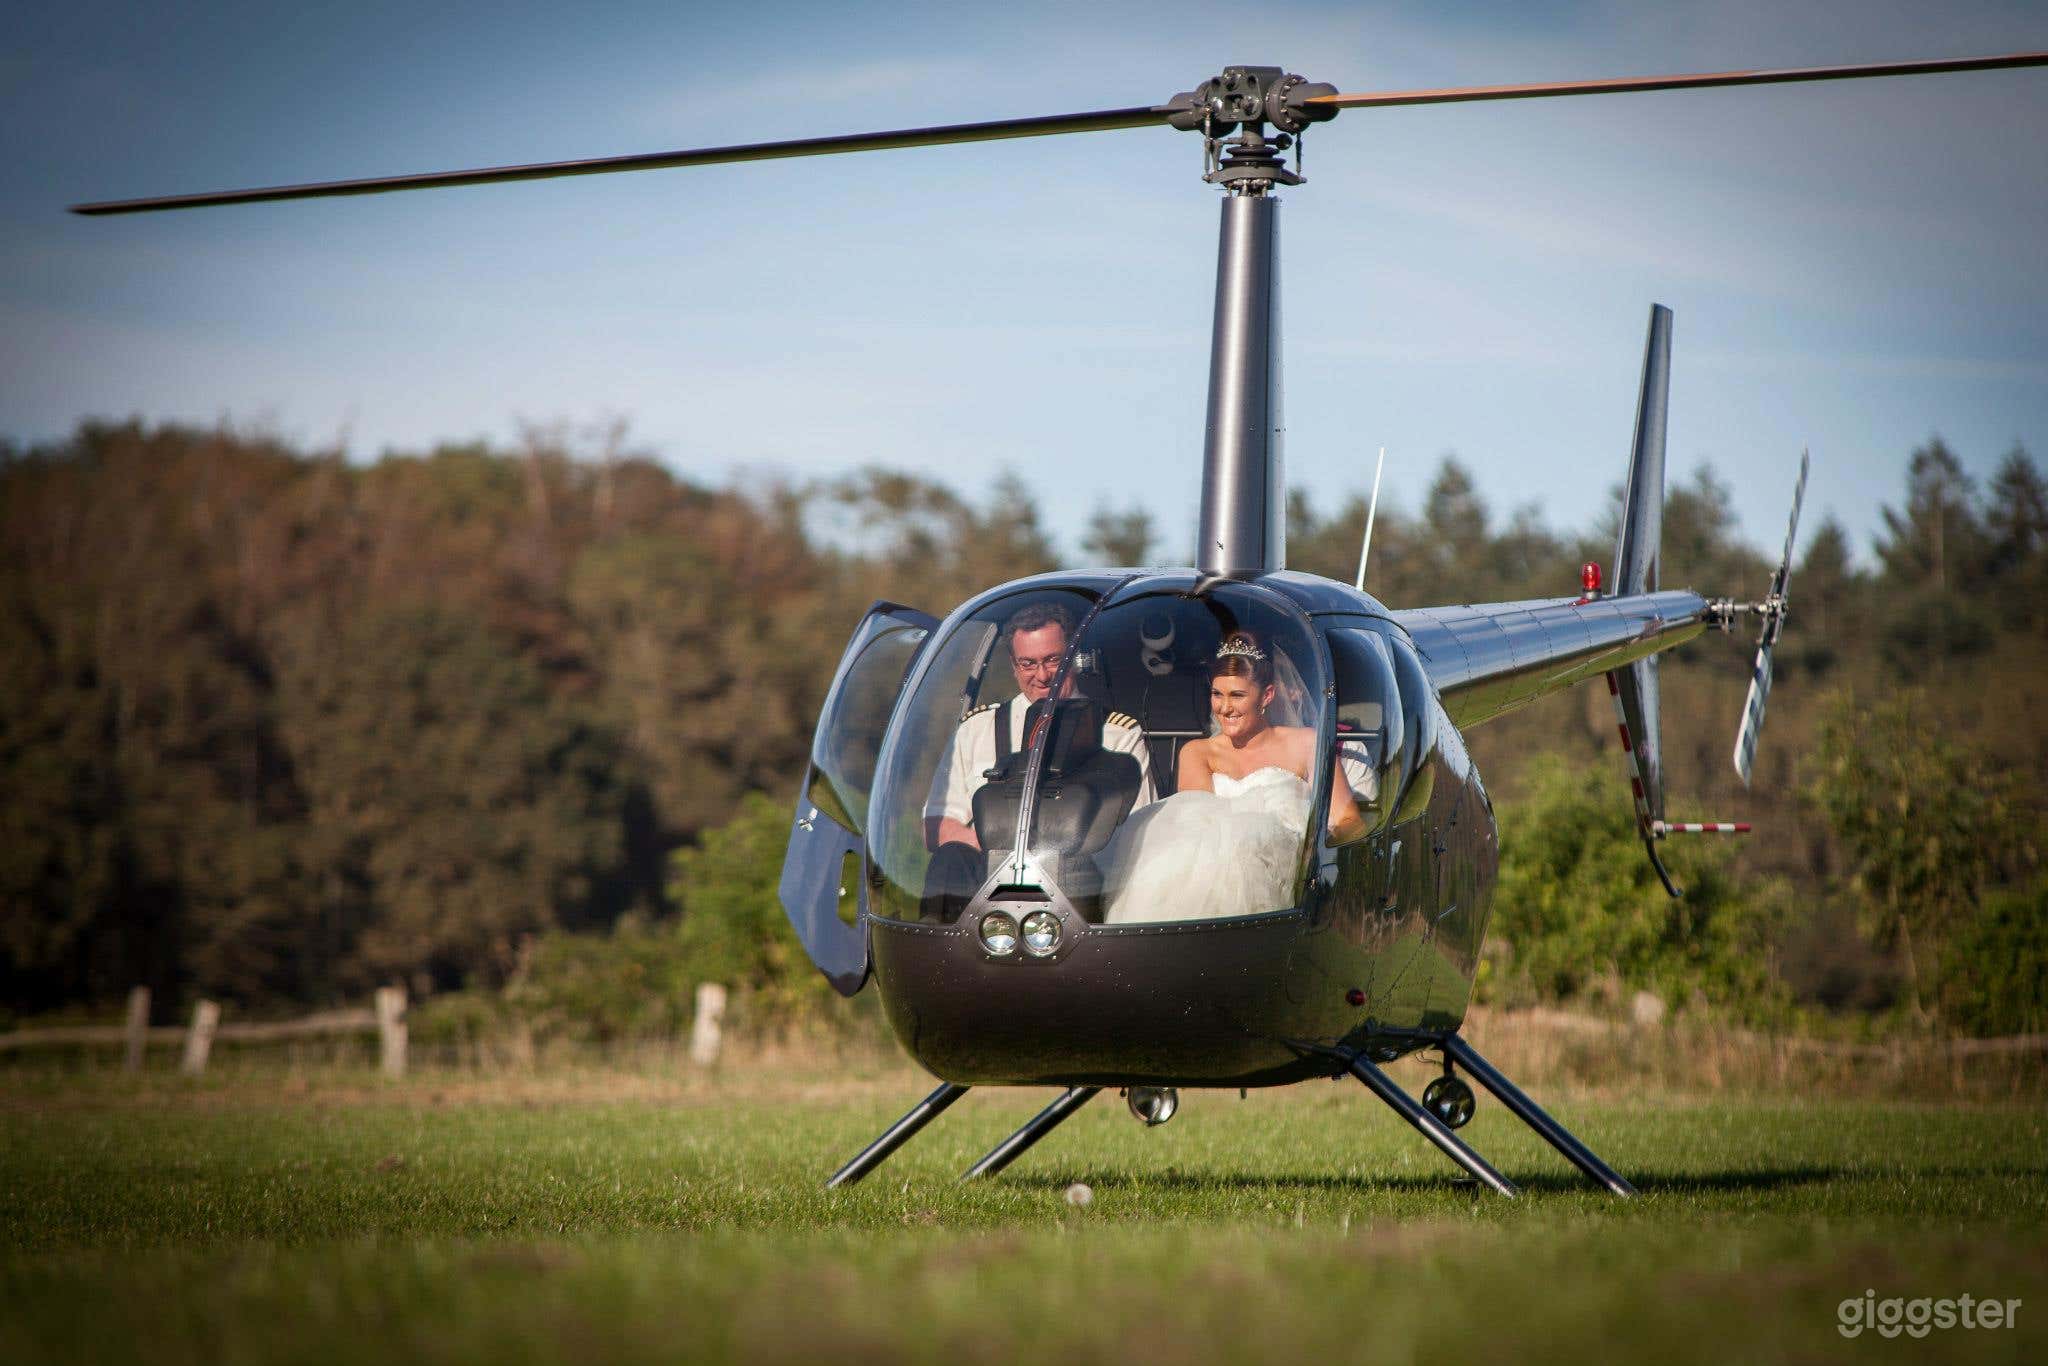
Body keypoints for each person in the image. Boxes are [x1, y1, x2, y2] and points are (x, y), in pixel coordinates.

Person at [1100, 629, 1359, 924]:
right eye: (1216, 694)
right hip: (1216, 884)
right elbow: (1195, 829)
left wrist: (1308, 850)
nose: (1225, 708)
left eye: (1237, 695)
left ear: (1267, 696)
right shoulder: (1199, 752)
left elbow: (1349, 820)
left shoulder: (1306, 744)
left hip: (1295, 879)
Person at [919, 602, 1154, 915]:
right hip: (986, 893)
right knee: (950, 860)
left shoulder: (1117, 734)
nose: (1042, 676)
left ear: (1076, 657)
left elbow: (1139, 834)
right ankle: (938, 960)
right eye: (1028, 664)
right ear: (1014, 667)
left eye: (1053, 660)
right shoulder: (977, 729)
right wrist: (1004, 840)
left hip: (1081, 894)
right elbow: (937, 824)